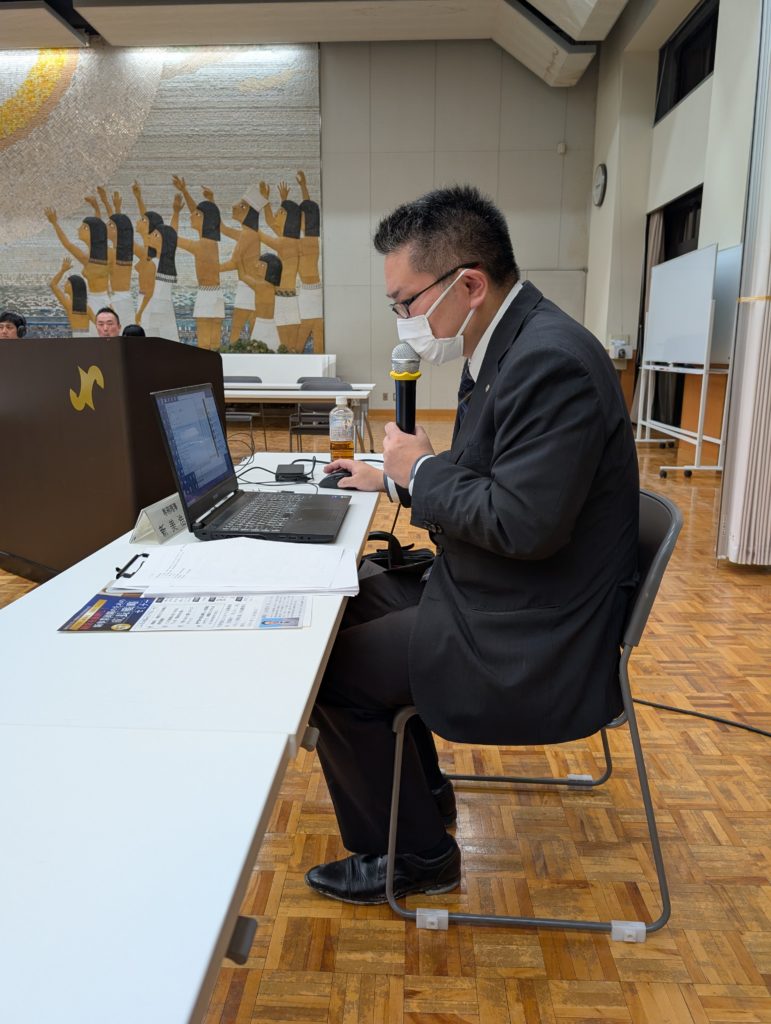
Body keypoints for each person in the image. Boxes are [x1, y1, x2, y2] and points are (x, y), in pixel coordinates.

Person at [304, 184, 639, 906]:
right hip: (507, 587)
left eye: (405, 302)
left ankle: (415, 856)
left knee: (329, 672)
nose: (402, 321)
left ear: (469, 285)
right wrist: (395, 478)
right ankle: (421, 797)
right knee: (349, 599)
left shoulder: (549, 362)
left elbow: (521, 523)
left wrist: (421, 472)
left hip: (537, 632)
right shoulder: (507, 345)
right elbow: (490, 481)